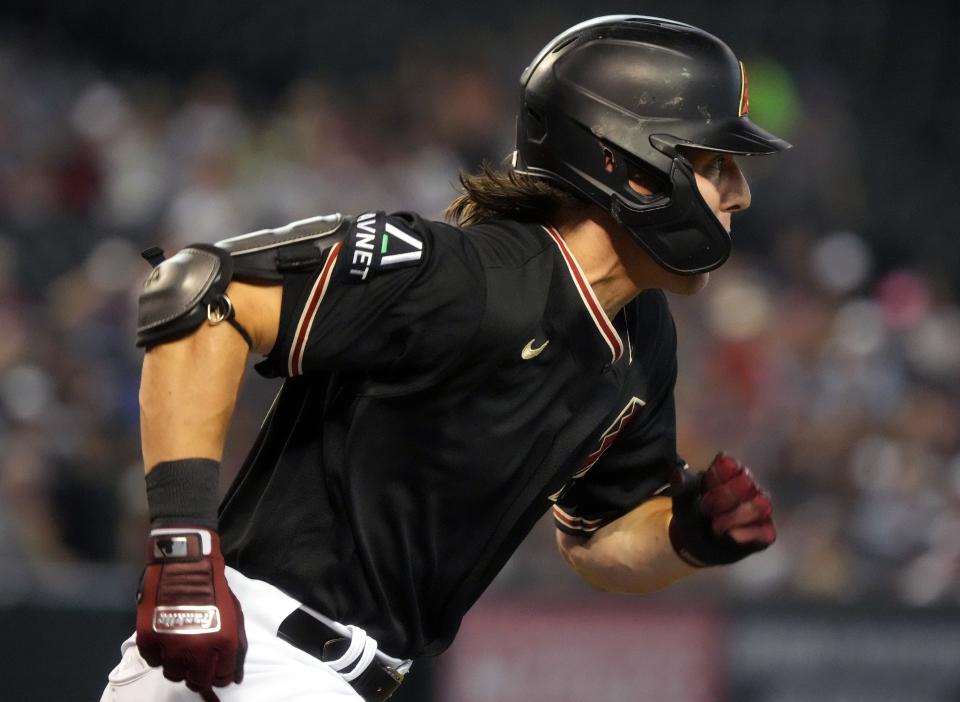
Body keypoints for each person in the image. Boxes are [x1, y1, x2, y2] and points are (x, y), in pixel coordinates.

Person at [101, 15, 786, 702]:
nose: (739, 194)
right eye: (714, 164)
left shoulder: (642, 336)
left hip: (334, 676)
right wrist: (183, 551)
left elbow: (598, 539)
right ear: (628, 163)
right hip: (256, 654)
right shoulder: (463, 276)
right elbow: (201, 292)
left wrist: (687, 533)